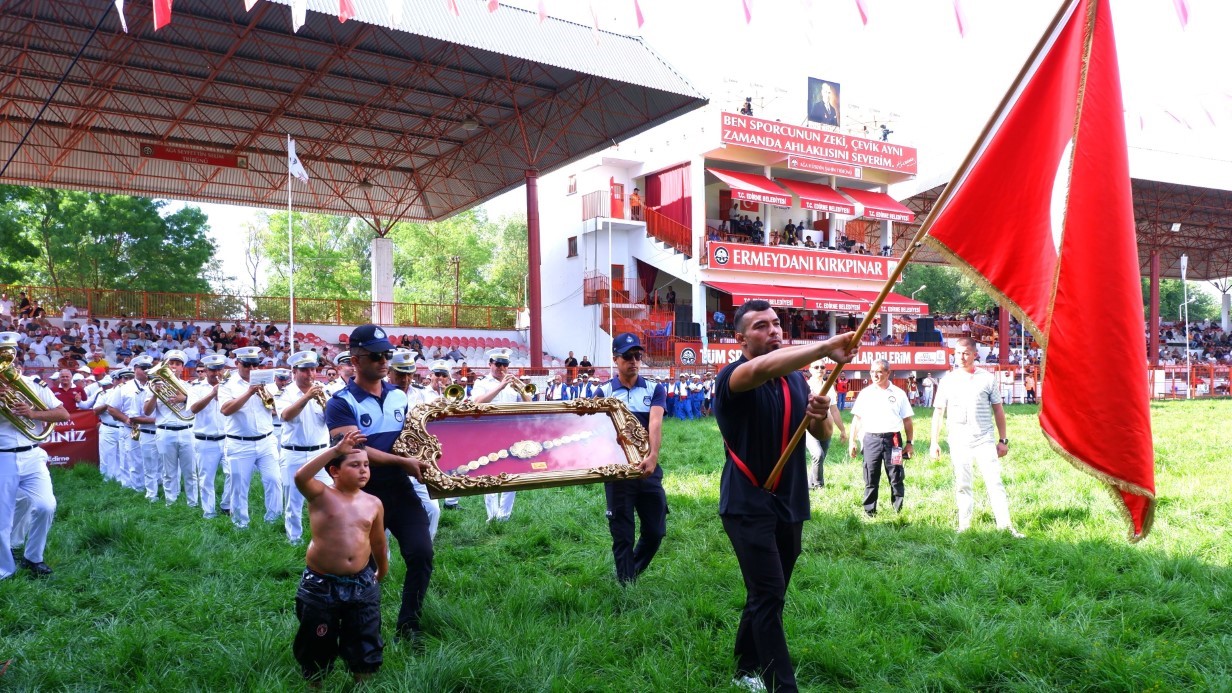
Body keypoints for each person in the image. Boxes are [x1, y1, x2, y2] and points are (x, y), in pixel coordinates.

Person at [712, 302, 856, 692]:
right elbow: (761, 370)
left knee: (766, 593)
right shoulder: (733, 378)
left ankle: (744, 667)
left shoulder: (796, 381)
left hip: (791, 502)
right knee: (769, 592)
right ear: (740, 339)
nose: (773, 330)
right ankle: (782, 686)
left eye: (776, 323)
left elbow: (822, 437)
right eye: (761, 326)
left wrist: (820, 415)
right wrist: (826, 347)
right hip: (747, 505)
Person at [325, 324, 431, 644]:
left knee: (421, 553)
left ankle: (408, 625)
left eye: (387, 353)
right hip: (361, 490)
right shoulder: (340, 403)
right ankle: (365, 627)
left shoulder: (399, 395)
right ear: (355, 359)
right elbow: (355, 450)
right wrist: (406, 463)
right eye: (376, 355)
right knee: (363, 565)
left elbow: (409, 439)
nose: (384, 361)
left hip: (399, 486)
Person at [292, 430, 387, 684]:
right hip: (320, 585)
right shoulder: (321, 495)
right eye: (354, 465)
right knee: (316, 640)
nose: (363, 470)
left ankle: (361, 681)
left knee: (364, 636)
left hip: (361, 583)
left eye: (366, 465)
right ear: (334, 471)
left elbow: (378, 540)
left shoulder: (373, 503)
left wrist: (382, 569)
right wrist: (336, 450)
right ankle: (316, 684)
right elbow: (300, 476)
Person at [929, 338, 1024, 537]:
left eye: (965, 353)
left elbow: (998, 410)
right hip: (958, 439)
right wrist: (934, 442)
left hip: (984, 438)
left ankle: (1005, 527)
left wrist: (1003, 440)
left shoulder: (987, 378)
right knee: (962, 483)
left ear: (974, 355)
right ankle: (964, 527)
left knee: (994, 482)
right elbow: (938, 412)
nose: (961, 357)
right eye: (957, 353)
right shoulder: (948, 380)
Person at [598, 333, 666, 583]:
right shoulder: (603, 392)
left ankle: (631, 571)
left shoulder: (654, 388)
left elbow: (656, 423)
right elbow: (595, 430)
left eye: (638, 356)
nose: (634, 361)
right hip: (617, 473)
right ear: (616, 359)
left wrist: (653, 456)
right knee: (622, 533)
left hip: (648, 468)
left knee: (656, 531)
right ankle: (626, 584)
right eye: (628, 356)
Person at [0, 332, 69, 580]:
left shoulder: (33, 384)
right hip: (2, 457)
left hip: (32, 455)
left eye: (9, 355)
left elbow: (63, 415)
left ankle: (33, 557)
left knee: (46, 505)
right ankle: (4, 569)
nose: (6, 362)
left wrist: (32, 414)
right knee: (2, 517)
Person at [219, 346, 284, 529]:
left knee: (274, 479)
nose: (252, 369)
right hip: (239, 442)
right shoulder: (227, 385)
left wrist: (267, 395)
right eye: (247, 365)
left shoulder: (268, 383)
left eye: (255, 365)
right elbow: (225, 410)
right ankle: (240, 524)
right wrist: (249, 392)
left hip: (266, 439)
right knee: (239, 485)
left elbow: (273, 409)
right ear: (237, 363)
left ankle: (274, 520)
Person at [470, 347, 532, 522]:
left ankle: (504, 516)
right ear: (490, 364)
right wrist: (501, 386)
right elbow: (477, 403)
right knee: (489, 473)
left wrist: (521, 389)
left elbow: (529, 403)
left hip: (511, 432)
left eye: (505, 365)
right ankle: (492, 516)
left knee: (511, 473)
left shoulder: (513, 384)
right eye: (498, 364)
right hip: (488, 432)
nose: (501, 368)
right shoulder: (482, 383)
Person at [278, 351, 331, 545]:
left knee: (329, 496)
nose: (310, 374)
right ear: (294, 371)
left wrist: (326, 405)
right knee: (294, 500)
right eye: (305, 370)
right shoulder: (285, 393)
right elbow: (286, 416)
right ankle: (294, 538)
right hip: (294, 453)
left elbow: (330, 419)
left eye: (313, 369)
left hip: (321, 452)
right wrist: (307, 397)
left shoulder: (323, 390)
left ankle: (327, 536)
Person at [848, 360, 914, 518]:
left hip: (894, 440)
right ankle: (869, 512)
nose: (875, 375)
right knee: (871, 476)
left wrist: (910, 443)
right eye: (872, 372)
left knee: (896, 475)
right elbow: (857, 419)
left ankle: (898, 511)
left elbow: (907, 421)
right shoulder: (865, 393)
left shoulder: (898, 393)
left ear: (888, 373)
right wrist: (852, 441)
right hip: (871, 439)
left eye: (879, 372)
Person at [388, 350, 441, 539]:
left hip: (417, 462)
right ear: (389, 372)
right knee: (384, 519)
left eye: (409, 374)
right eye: (400, 374)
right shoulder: (381, 395)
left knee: (433, 510)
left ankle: (426, 550)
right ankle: (381, 563)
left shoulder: (421, 395)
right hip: (390, 462)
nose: (405, 379)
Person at [144, 350, 197, 507]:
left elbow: (197, 408)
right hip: (165, 432)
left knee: (191, 472)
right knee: (168, 472)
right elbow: (147, 412)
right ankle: (171, 503)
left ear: (182, 368)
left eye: (177, 364)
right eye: (171, 363)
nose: (174, 367)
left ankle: (192, 503)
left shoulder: (191, 386)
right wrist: (155, 394)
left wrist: (185, 397)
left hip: (187, 430)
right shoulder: (154, 386)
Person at [187, 354, 229, 519]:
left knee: (233, 474)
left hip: (227, 438)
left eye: (219, 369)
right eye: (212, 369)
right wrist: (213, 393)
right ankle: (209, 512)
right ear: (205, 370)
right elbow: (193, 409)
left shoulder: (229, 386)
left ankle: (227, 505)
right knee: (206, 479)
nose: (216, 373)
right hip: (205, 439)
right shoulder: (196, 388)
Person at [805, 364, 846, 489]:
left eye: (822, 367)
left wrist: (842, 430)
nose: (819, 369)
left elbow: (834, 410)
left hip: (826, 426)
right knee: (817, 454)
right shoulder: (805, 386)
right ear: (810, 370)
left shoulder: (829, 387)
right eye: (816, 367)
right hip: (809, 428)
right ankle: (818, 485)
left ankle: (810, 484)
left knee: (821, 457)